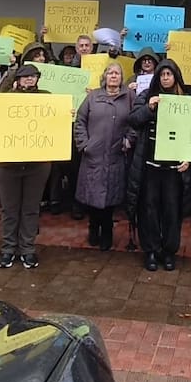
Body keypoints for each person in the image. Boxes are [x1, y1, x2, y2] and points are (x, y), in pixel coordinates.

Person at [127, 59, 190, 272]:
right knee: (149, 209)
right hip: (150, 165)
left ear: (175, 76)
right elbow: (133, 119)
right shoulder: (146, 96)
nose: (165, 78)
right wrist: (149, 108)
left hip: (174, 168)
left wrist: (189, 158)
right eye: (162, 75)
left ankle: (169, 251)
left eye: (169, 74)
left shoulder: (185, 100)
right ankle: (151, 250)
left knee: (172, 210)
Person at [0, 64, 54, 269]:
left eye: (33, 76)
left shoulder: (47, 97)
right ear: (17, 79)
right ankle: (8, 249)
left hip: (37, 163)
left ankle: (27, 249)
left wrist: (64, 115)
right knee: (10, 209)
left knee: (30, 208)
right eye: (25, 76)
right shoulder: (4, 99)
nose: (29, 79)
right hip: (7, 162)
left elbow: (54, 123)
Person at [74, 62, 134, 252]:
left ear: (121, 78)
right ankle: (93, 228)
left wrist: (129, 140)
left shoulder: (129, 97)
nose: (113, 76)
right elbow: (80, 121)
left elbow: (135, 121)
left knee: (110, 197)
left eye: (117, 73)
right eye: (110, 73)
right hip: (94, 155)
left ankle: (107, 231)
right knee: (93, 196)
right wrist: (84, 145)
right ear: (104, 77)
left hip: (116, 154)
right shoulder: (92, 97)